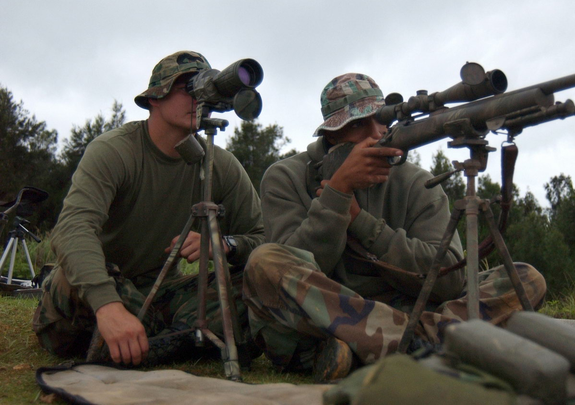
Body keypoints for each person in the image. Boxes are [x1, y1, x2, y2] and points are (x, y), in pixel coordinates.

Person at [243, 73, 546, 382]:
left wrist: (363, 222)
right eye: (358, 125)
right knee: (264, 261)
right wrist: (338, 193)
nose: (375, 134)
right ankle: (428, 345)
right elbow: (295, 267)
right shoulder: (286, 177)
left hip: (401, 309)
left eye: (381, 121)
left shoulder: (416, 182)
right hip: (321, 322)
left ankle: (383, 348)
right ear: (331, 136)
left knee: (523, 278)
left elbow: (450, 280)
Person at [33, 51, 265, 367]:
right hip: (98, 286)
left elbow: (261, 239)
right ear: (155, 97)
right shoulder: (115, 151)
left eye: (204, 88)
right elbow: (72, 230)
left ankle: (160, 337)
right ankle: (163, 337)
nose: (197, 98)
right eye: (187, 87)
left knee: (258, 281)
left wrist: (224, 245)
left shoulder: (220, 165)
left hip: (160, 297)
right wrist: (108, 306)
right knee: (68, 276)